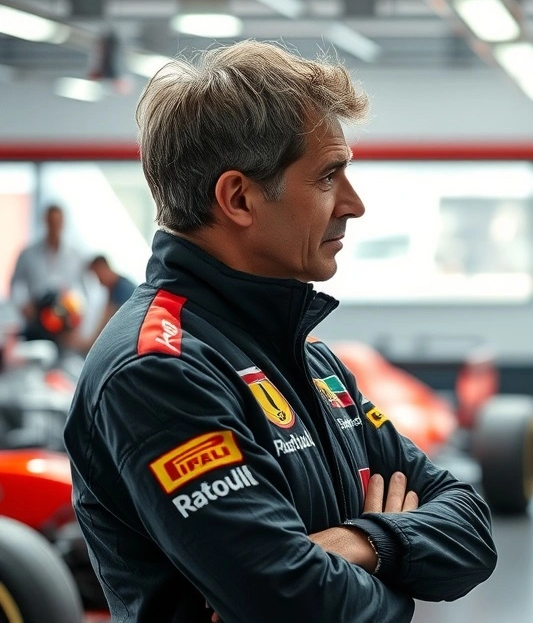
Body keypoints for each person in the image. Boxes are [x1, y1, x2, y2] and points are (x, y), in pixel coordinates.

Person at [63, 40, 496, 622]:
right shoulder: (158, 369)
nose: (354, 204)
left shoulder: (312, 361)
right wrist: (397, 579)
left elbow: (471, 528)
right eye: (328, 177)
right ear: (238, 198)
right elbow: (295, 603)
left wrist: (363, 541)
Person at [8, 203, 86, 342]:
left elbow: (81, 289)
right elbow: (16, 284)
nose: (54, 226)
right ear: (45, 222)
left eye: (58, 222)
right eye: (51, 221)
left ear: (63, 223)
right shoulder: (28, 254)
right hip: (36, 316)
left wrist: (75, 312)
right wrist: (23, 304)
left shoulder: (75, 256)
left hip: (64, 320)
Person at [80, 254, 136, 351]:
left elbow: (109, 323)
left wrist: (90, 343)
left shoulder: (124, 288)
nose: (98, 281)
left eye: (97, 274)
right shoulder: (112, 290)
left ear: (103, 268)